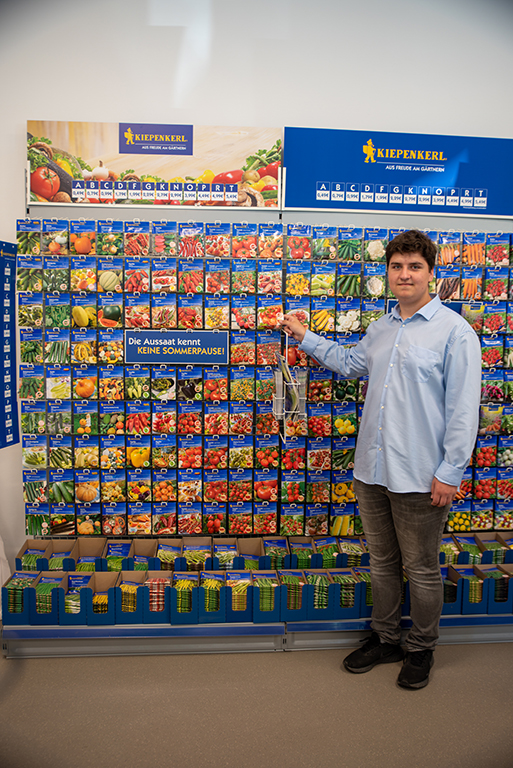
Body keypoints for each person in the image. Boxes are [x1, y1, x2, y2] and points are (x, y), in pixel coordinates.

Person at [280, 229, 481, 689]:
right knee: (382, 562)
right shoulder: (382, 327)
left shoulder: (455, 332)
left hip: (421, 474)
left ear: (431, 273)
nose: (405, 274)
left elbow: (463, 410)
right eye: (397, 266)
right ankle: (387, 637)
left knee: (423, 570)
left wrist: (450, 471)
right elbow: (350, 363)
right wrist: (304, 336)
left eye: (414, 266)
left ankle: (421, 648)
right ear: (387, 272)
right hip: (372, 470)